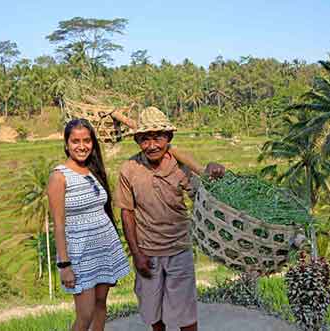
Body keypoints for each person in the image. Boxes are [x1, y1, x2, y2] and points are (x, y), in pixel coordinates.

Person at [115, 107, 225, 331]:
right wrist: (136, 254)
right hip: (147, 252)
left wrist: (213, 172)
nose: (152, 145)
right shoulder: (129, 169)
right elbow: (127, 213)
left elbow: (202, 193)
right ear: (137, 140)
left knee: (185, 313)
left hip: (179, 250)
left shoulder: (181, 167)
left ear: (169, 139)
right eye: (145, 139)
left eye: (158, 138)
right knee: (153, 312)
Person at [47, 118, 130, 331]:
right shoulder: (59, 177)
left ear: (93, 143)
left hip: (103, 248)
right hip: (80, 253)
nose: (82, 146)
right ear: (66, 144)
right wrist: (65, 266)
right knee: (85, 315)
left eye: (87, 140)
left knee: (101, 305)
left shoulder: (94, 170)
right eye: (75, 141)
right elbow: (58, 224)